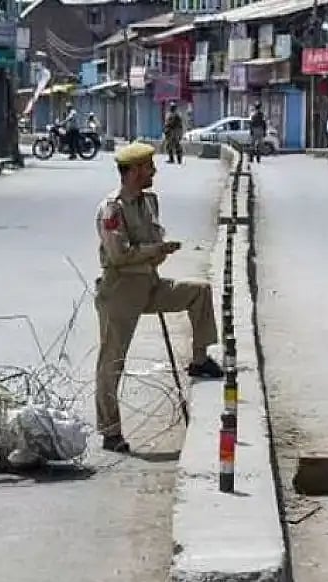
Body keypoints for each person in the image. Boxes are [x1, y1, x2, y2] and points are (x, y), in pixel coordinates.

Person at [93, 142, 225, 453]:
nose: (153, 171)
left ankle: (199, 358)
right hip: (121, 291)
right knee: (111, 361)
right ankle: (110, 432)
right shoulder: (112, 209)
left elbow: (153, 238)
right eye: (148, 167)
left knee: (199, 292)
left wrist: (159, 251)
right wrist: (155, 251)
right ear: (134, 171)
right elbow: (119, 255)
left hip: (149, 284)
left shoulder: (149, 202)